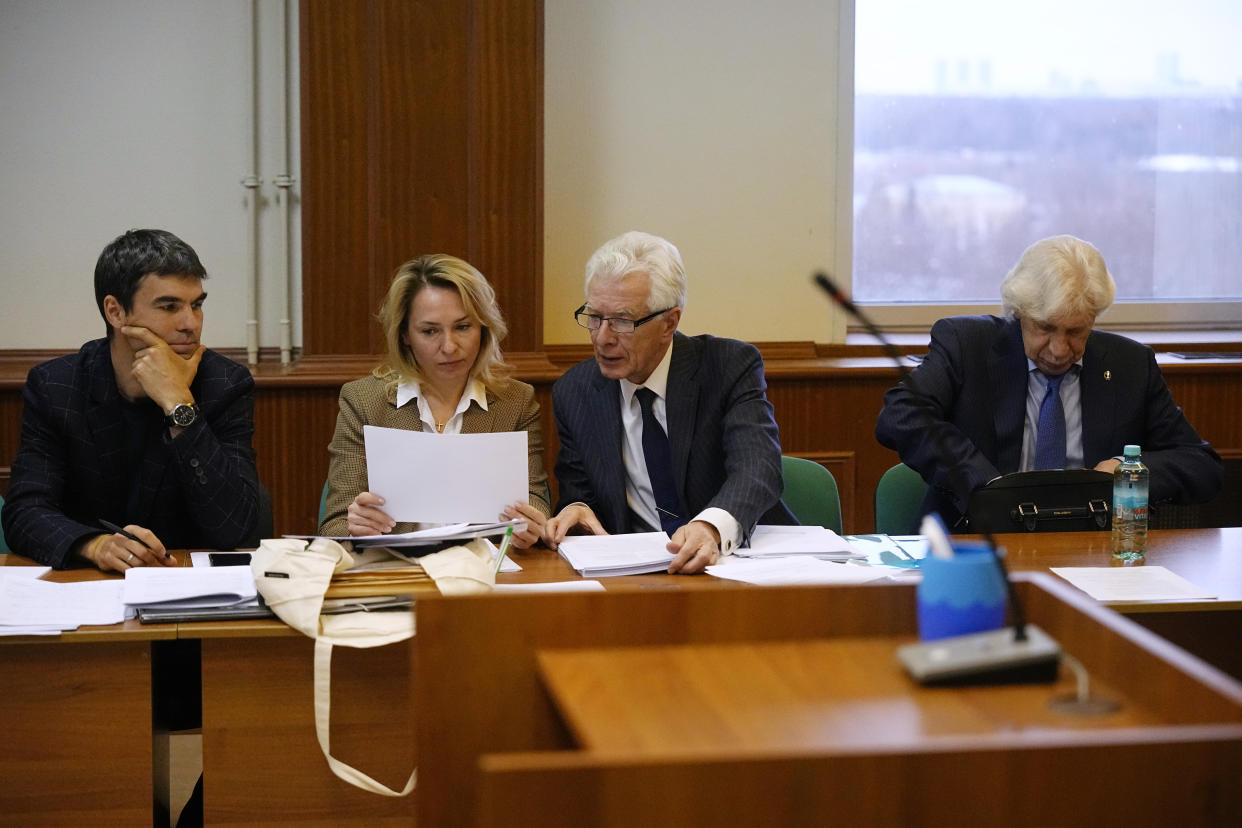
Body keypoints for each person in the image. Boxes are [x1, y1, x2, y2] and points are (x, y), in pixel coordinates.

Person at [875, 234, 1223, 529]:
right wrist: (990, 486)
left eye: (1075, 332)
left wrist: (1125, 470)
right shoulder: (967, 346)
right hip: (979, 545)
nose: (1059, 349)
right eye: (1044, 328)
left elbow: (1201, 465)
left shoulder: (1130, 365)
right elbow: (901, 414)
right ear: (1019, 313)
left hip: (1093, 552)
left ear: (1093, 320)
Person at [2, 228, 261, 569]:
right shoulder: (57, 386)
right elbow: (25, 511)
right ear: (116, 312)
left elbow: (235, 527)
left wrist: (179, 403)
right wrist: (94, 546)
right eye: (169, 306)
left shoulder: (224, 384)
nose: (190, 324)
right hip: (88, 587)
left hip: (187, 582)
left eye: (196, 305)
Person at [542, 230, 794, 574]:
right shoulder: (576, 391)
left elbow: (758, 468)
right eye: (595, 317)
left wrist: (710, 527)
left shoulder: (727, 367)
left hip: (737, 565)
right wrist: (577, 507)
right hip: (637, 575)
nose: (602, 338)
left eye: (621, 321)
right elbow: (579, 490)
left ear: (669, 323)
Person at [320, 254, 551, 547]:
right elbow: (335, 525)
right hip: (398, 573)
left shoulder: (515, 401)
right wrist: (356, 526)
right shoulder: (364, 402)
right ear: (404, 334)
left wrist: (530, 523)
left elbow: (536, 497)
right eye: (430, 331)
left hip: (485, 574)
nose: (450, 346)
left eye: (463, 327)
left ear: (483, 328)